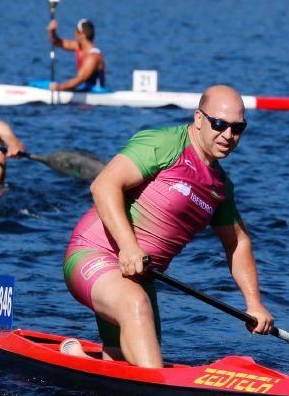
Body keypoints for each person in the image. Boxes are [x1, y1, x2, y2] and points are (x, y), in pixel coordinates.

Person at [62, 84, 274, 367]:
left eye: (237, 129)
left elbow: (238, 243)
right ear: (199, 119)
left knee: (125, 365)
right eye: (219, 124)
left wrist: (254, 304)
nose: (228, 135)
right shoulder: (165, 144)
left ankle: (76, 357)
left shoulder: (220, 187)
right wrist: (128, 247)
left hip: (141, 276)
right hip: (94, 256)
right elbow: (104, 185)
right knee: (137, 310)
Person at [47, 18, 106, 92]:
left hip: (96, 92)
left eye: (76, 31)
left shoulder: (94, 56)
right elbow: (58, 42)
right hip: (85, 88)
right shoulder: (78, 46)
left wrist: (59, 87)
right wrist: (52, 31)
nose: (74, 33)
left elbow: (80, 79)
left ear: (82, 35)